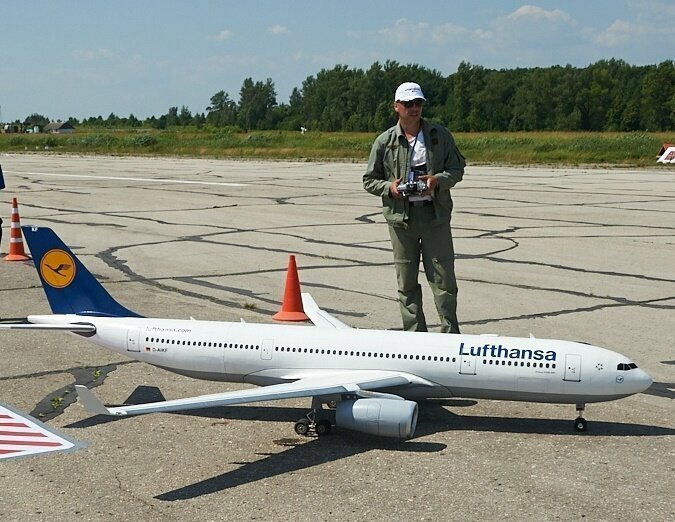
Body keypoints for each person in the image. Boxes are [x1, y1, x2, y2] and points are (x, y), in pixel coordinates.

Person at [363, 82, 465, 333]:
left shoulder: (440, 136)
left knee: (443, 280)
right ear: (396, 107)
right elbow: (369, 180)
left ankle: (450, 334)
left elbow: (457, 168)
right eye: (408, 104)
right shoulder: (385, 142)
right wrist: (390, 188)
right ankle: (414, 336)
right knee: (406, 282)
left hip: (434, 217)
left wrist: (437, 181)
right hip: (402, 220)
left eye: (418, 103)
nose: (414, 108)